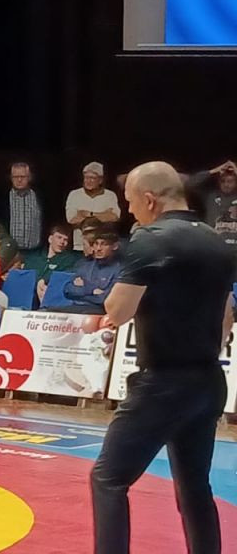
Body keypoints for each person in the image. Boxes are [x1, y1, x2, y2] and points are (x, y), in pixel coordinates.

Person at [91, 161, 235, 554]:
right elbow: (226, 317)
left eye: (131, 202)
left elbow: (118, 310)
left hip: (162, 383)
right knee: (195, 487)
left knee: (108, 479)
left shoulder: (149, 239)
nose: (129, 210)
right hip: (208, 380)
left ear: (150, 200)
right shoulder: (216, 240)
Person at [49, 230, 121, 314]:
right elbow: (68, 290)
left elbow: (106, 299)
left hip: (99, 311)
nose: (98, 248)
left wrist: (82, 290)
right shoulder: (85, 265)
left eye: (104, 244)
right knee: (46, 312)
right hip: (76, 307)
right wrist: (92, 290)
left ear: (115, 246)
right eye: (96, 244)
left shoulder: (120, 270)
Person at [65, 162, 121, 252]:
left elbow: (114, 217)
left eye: (92, 178)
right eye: (86, 178)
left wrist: (89, 214)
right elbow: (71, 219)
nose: (88, 181)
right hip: (80, 247)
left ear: (100, 180)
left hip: (103, 248)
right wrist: (103, 215)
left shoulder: (110, 195)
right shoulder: (74, 195)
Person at [19, 225, 81, 302]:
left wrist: (44, 280)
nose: (62, 242)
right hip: (28, 296)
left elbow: (61, 277)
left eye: (65, 240)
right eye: (59, 237)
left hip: (50, 297)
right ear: (50, 239)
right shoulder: (35, 257)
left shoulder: (69, 260)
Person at [0, 162, 44, 253]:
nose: (19, 180)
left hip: (35, 251)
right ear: (11, 178)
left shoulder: (40, 196)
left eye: (23, 176)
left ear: (29, 177)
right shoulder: (2, 198)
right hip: (10, 252)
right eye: (15, 177)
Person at [185, 160, 237, 227]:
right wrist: (213, 171)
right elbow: (189, 184)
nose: (226, 184)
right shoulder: (209, 194)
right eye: (222, 181)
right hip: (212, 233)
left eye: (230, 181)